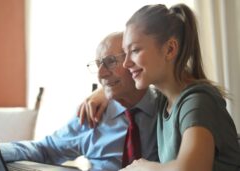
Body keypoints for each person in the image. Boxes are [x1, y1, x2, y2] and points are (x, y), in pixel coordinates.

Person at [0, 32, 159, 171]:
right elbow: (45, 149)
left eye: (110, 61)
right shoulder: (93, 114)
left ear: (135, 61)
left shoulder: (168, 107)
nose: (100, 73)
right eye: (98, 64)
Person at [79, 3, 240, 171]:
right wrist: (104, 93)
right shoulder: (165, 101)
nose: (126, 63)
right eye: (125, 53)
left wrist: (142, 167)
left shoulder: (198, 102)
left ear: (170, 49)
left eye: (134, 50)